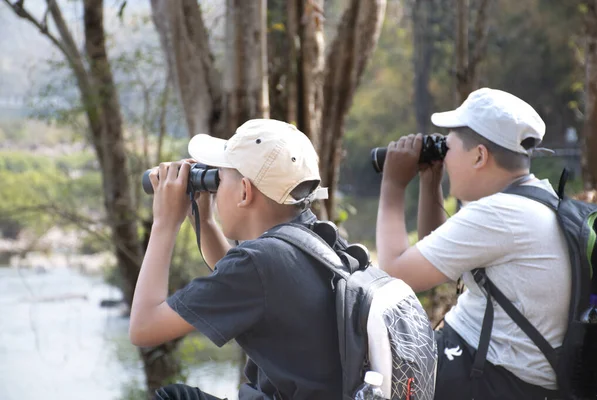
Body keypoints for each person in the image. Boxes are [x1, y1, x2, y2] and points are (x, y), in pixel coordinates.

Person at [376, 88, 569, 399]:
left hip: (491, 377)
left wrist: (393, 184)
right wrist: (430, 182)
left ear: (479, 155)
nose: (445, 158)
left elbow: (396, 273)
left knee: (363, 361)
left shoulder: (500, 214)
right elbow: (431, 261)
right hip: (514, 373)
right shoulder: (540, 199)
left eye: (448, 148)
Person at [129, 119, 341, 400]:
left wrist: (164, 224)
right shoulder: (319, 239)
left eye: (220, 178)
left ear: (244, 191)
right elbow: (243, 281)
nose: (216, 188)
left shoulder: (260, 263)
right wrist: (202, 219)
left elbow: (143, 328)